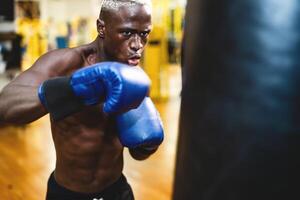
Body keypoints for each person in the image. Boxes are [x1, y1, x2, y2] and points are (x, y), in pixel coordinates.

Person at [0, 0, 164, 199]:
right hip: (68, 193)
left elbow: (137, 153)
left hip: (116, 190)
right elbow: (6, 104)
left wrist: (147, 145)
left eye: (144, 33)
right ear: (101, 28)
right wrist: (70, 89)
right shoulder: (66, 63)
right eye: (127, 33)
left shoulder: (133, 78)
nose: (137, 45)